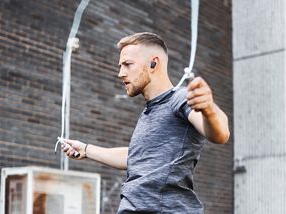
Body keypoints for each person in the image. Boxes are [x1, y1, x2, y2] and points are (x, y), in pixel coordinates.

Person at [62, 32, 230, 213]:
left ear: (153, 63)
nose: (120, 73)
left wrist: (209, 109)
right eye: (120, 66)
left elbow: (221, 133)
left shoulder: (179, 99)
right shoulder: (149, 112)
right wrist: (86, 149)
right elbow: (136, 156)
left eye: (127, 64)